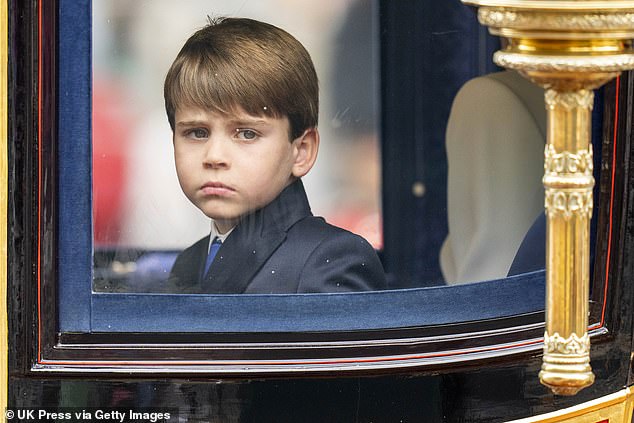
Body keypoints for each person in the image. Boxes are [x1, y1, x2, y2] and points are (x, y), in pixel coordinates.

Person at [162, 17, 386, 294]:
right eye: (197, 133)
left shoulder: (330, 261)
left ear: (301, 151)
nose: (214, 156)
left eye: (246, 134)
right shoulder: (188, 263)